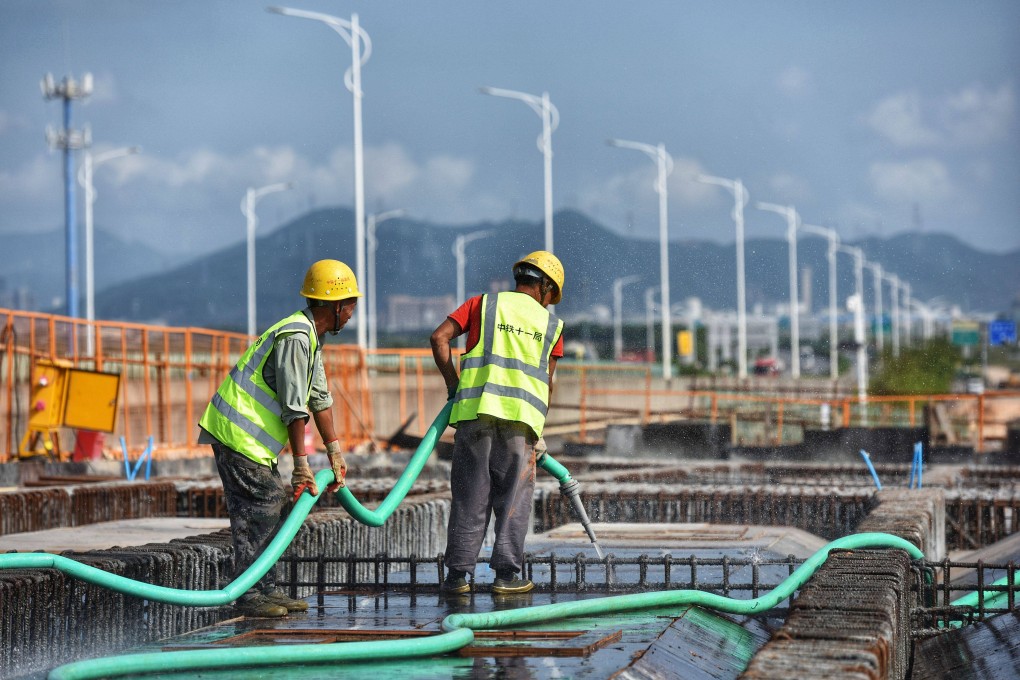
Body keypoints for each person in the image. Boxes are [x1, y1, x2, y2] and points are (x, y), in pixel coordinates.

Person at [198, 259, 358, 617]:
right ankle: (250, 594)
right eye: (350, 306)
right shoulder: (296, 337)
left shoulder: (311, 338)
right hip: (237, 435)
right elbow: (293, 407)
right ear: (334, 306)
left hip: (252, 441)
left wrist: (334, 452)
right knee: (263, 504)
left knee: (272, 508)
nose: (351, 315)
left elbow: (319, 399)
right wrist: (301, 465)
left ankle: (265, 589)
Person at [430, 250, 565, 595]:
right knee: (514, 499)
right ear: (546, 287)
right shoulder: (552, 326)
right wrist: (540, 429)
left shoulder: (482, 305)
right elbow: (548, 383)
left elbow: (439, 338)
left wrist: (452, 385)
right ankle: (506, 576)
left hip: (475, 415)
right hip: (521, 425)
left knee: (470, 496)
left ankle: (458, 577)